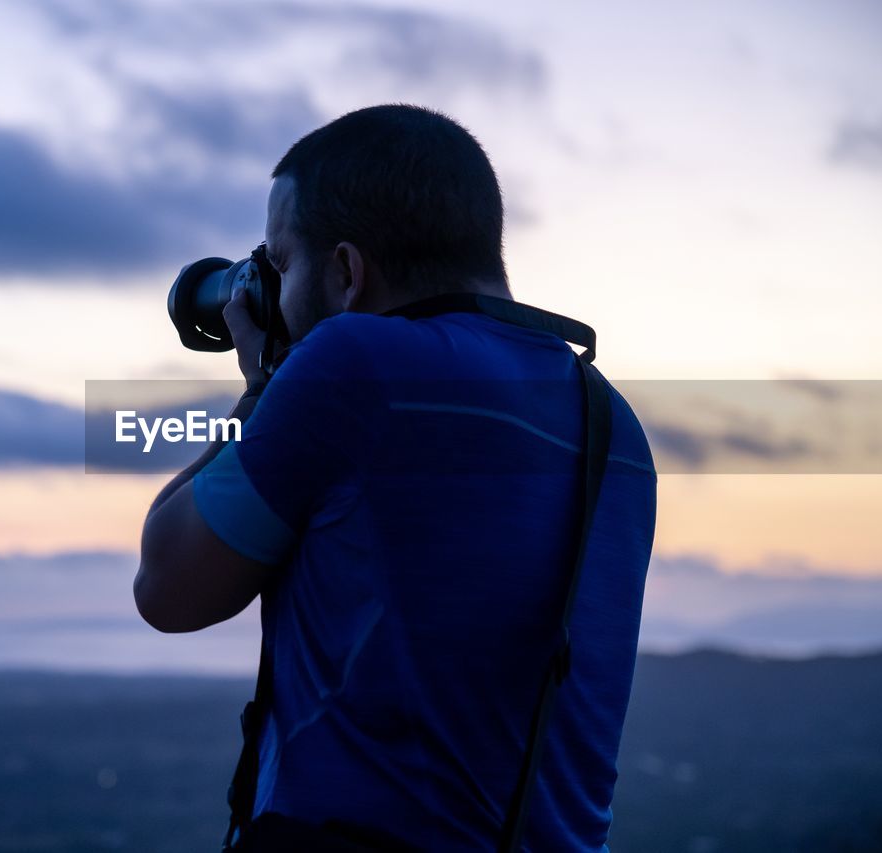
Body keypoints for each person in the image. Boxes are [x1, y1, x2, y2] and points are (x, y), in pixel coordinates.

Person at [135, 104, 657, 851]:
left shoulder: (358, 363)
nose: (272, 296)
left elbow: (168, 585)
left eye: (280, 265)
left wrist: (259, 389)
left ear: (346, 272)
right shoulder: (613, 425)